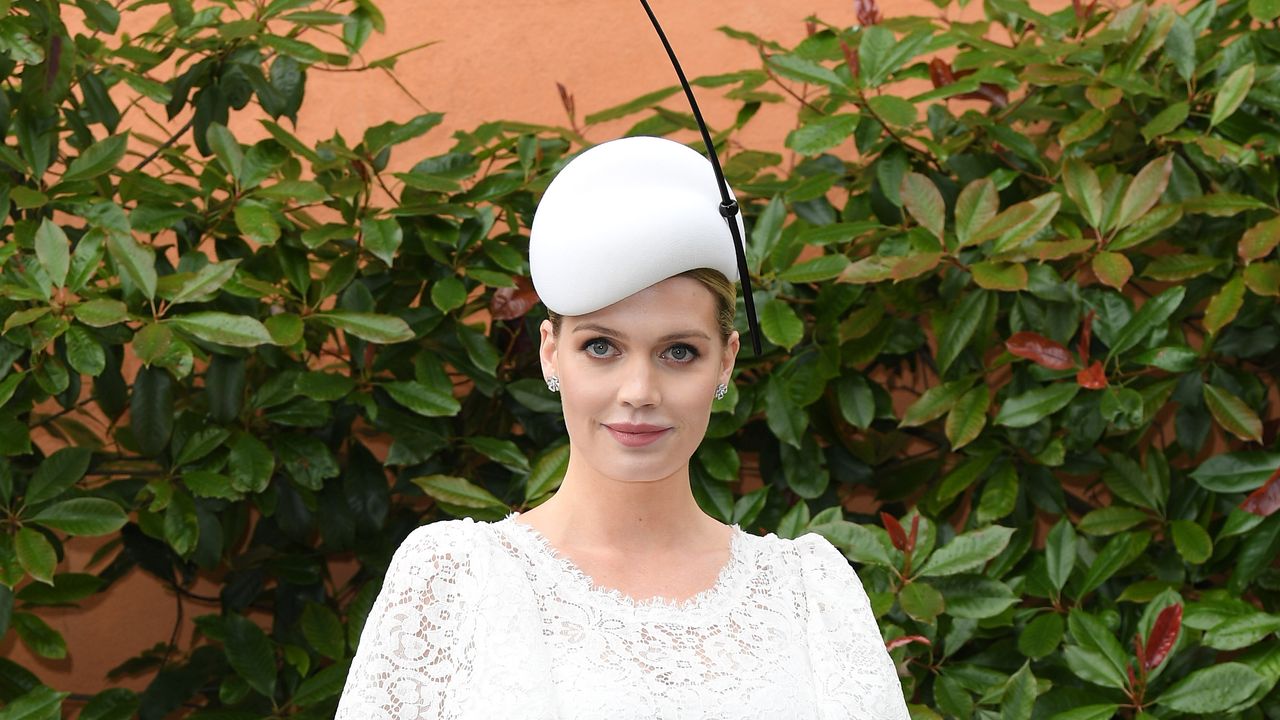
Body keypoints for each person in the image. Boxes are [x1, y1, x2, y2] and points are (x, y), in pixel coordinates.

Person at [334, 135, 910, 719]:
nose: (639, 392)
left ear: (727, 361)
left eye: (679, 351)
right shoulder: (452, 582)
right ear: (550, 353)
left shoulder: (810, 595)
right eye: (602, 346)